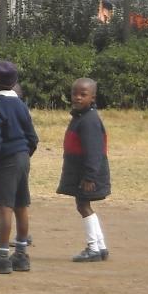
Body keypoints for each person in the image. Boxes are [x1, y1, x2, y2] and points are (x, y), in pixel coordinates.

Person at [0, 61, 39, 275]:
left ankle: (2, 257)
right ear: (15, 81)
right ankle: (21, 255)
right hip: (22, 157)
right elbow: (32, 137)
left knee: (5, 207)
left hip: (6, 159)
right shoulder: (21, 105)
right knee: (21, 204)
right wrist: (24, 154)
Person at [58, 78, 111, 262]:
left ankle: (93, 248)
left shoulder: (89, 121)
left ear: (93, 97)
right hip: (81, 171)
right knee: (84, 206)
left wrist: (89, 176)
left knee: (83, 206)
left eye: (83, 94)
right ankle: (101, 246)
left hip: (87, 174)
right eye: (75, 94)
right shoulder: (81, 117)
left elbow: (95, 151)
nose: (78, 98)